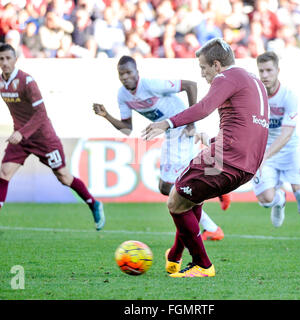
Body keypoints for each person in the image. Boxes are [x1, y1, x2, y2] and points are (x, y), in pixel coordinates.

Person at [142, 38, 269, 278]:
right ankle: (174, 257)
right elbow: (248, 126)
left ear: (217, 65)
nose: (202, 74)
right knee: (190, 200)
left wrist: (167, 123)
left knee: (175, 202)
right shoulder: (253, 80)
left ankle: (202, 264)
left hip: (227, 158)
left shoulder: (226, 78)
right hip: (249, 164)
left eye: (203, 67)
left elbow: (203, 108)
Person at [93, 55, 227, 241]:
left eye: (128, 72)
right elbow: (126, 128)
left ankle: (211, 220)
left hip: (180, 129)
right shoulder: (122, 95)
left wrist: (191, 120)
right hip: (169, 133)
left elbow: (190, 85)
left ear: (137, 72)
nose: (125, 77)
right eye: (121, 74)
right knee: (172, 185)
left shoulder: (150, 85)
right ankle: (217, 191)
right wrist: (106, 115)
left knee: (169, 186)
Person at [0, 43, 105, 231]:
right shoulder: (1, 82)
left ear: (15, 59)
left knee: (64, 177)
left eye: (8, 58)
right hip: (21, 139)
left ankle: (93, 203)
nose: (5, 62)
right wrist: (21, 133)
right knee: (4, 173)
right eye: (1, 59)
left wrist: (22, 132)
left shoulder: (27, 81)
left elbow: (41, 113)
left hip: (43, 138)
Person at [254, 51, 300, 249]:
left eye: (269, 70)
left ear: (278, 71)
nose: (265, 75)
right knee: (266, 200)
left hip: (289, 150)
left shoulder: (289, 96)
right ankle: (279, 199)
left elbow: (286, 133)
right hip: (264, 150)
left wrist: (265, 156)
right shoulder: (254, 97)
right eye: (261, 71)